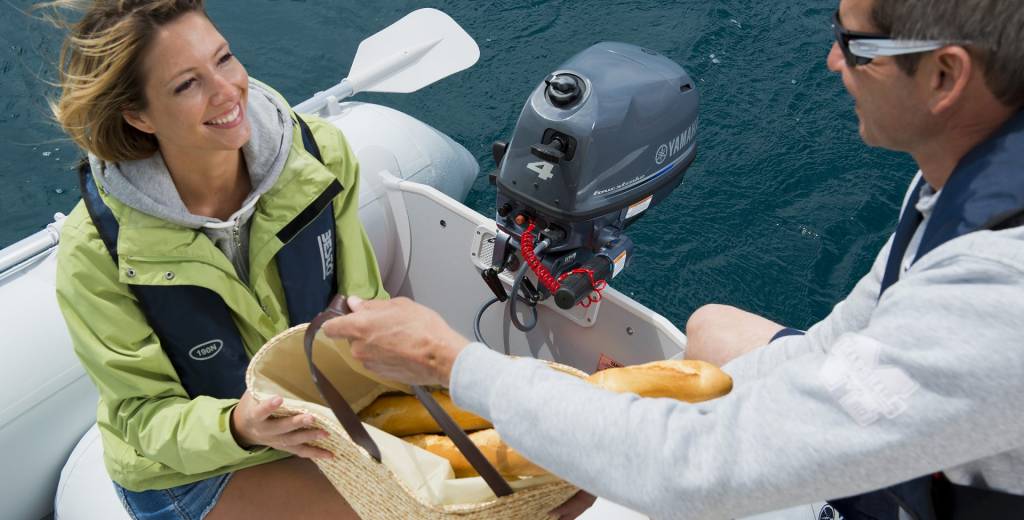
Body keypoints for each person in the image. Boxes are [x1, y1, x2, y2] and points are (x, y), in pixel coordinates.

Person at [322, 0, 1024, 518]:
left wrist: (452, 363)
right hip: (922, 458)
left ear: (944, 75)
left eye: (853, 43)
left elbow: (699, 471)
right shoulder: (960, 169)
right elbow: (847, 339)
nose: (831, 60)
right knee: (714, 331)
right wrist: (627, 399)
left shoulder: (993, 305)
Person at [49, 1, 386, 518]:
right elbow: (143, 417)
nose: (227, 91)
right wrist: (238, 426)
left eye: (224, 59)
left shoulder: (320, 158)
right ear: (139, 116)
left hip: (318, 417)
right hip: (192, 468)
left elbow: (367, 301)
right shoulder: (94, 250)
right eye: (187, 84)